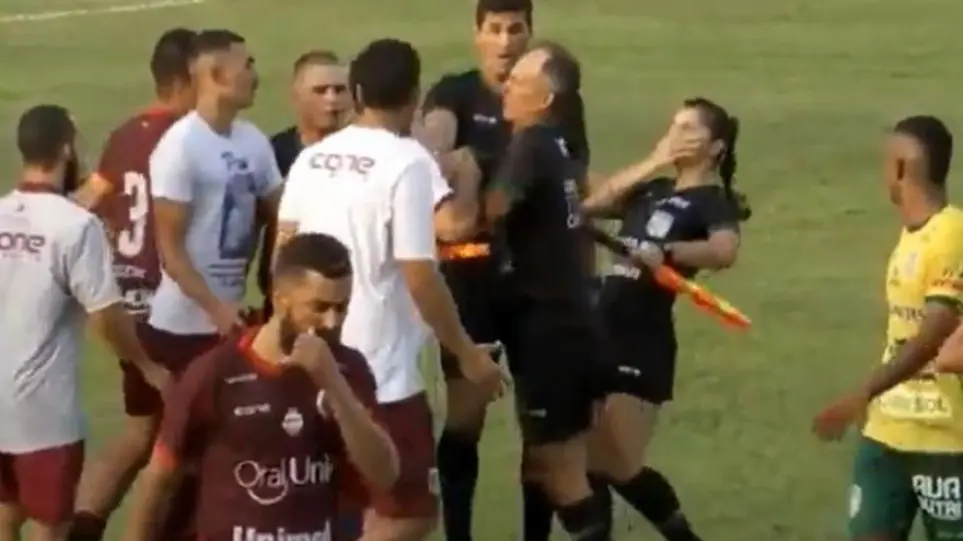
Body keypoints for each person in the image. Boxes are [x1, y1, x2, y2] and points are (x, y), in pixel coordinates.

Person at [275, 38, 502, 541]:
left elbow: (283, 253)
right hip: (381, 373)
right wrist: (466, 354)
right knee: (409, 510)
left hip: (312, 359)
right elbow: (422, 269)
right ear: (414, 96)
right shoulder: (408, 161)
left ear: (356, 93)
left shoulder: (313, 157)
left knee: (327, 502)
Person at [414, 2, 591, 539]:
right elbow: (434, 140)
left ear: (530, 33)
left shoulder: (556, 106)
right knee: (465, 419)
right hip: (474, 287)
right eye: (494, 29)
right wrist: (440, 154)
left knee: (539, 436)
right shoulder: (455, 94)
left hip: (535, 296)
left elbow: (574, 188)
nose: (506, 41)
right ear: (478, 34)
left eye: (516, 29)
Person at [121, 232, 400, 541]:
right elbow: (159, 478)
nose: (332, 322)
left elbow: (384, 475)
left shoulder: (349, 370)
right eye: (319, 307)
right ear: (280, 299)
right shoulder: (216, 373)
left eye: (342, 307)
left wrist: (334, 384)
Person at [580, 97, 751, 541]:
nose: (676, 134)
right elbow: (590, 207)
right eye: (674, 125)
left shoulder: (712, 202)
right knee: (585, 462)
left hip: (641, 339)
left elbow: (724, 250)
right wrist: (655, 160)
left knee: (618, 464)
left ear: (715, 147)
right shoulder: (652, 190)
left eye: (688, 129)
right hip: (598, 329)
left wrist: (667, 252)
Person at [0, 105, 168, 541]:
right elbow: (107, 315)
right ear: (66, 150)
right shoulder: (76, 227)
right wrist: (146, 367)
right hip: (44, 410)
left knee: (5, 513)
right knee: (52, 525)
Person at [68, 28, 198, 541]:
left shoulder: (126, 133)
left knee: (142, 429)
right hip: (173, 310)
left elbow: (88, 200)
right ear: (189, 78)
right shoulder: (190, 139)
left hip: (128, 305)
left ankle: (81, 529)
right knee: (188, 440)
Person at [811, 116, 963, 541]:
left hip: (946, 440)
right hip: (887, 434)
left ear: (900, 167)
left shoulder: (952, 234)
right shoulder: (911, 237)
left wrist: (862, 393)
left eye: (885, 163)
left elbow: (934, 332)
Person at [482, 42, 608, 541]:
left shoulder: (531, 143)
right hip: (576, 322)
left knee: (562, 472)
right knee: (546, 461)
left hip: (549, 331)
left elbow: (495, 209)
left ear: (545, 99)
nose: (506, 87)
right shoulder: (560, 146)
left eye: (519, 82)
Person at [257, 49, 351, 320]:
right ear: (296, 97)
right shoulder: (272, 154)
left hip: (342, 301)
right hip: (287, 300)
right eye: (320, 91)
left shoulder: (362, 156)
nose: (332, 99)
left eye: (339, 90)